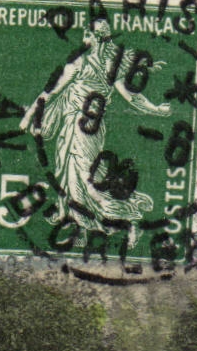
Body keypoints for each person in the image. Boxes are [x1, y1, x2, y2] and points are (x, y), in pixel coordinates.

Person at [19, 19, 173, 247]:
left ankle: (124, 222)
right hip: (90, 130)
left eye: (87, 34)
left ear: (91, 36)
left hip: (79, 129)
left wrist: (28, 116)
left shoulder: (79, 64)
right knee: (71, 176)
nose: (84, 38)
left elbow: (49, 93)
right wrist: (156, 110)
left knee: (82, 178)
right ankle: (75, 223)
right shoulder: (110, 66)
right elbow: (133, 97)